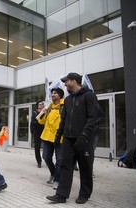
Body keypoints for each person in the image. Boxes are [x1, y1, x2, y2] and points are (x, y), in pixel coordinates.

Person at [46, 73, 99, 204]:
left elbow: (92, 119)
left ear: (74, 81)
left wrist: (84, 136)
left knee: (85, 168)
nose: (64, 84)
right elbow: (63, 120)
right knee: (65, 167)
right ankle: (61, 195)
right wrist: (58, 137)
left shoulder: (89, 96)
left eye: (66, 81)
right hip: (68, 140)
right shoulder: (68, 100)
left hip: (84, 140)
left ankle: (84, 194)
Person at [38, 88, 64, 190]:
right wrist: (43, 112)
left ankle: (57, 180)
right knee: (46, 157)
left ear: (60, 95)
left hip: (59, 138)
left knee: (60, 161)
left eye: (55, 93)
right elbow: (41, 122)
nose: (52, 95)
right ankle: (53, 173)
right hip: (47, 137)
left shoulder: (64, 106)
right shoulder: (49, 107)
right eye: (52, 93)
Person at [30, 101, 44, 168]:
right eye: (40, 104)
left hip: (44, 132)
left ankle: (46, 158)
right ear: (37, 106)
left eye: (42, 104)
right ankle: (39, 161)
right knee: (37, 147)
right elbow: (32, 123)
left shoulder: (45, 112)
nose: (41, 105)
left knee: (47, 147)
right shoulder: (35, 113)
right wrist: (33, 132)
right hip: (37, 132)